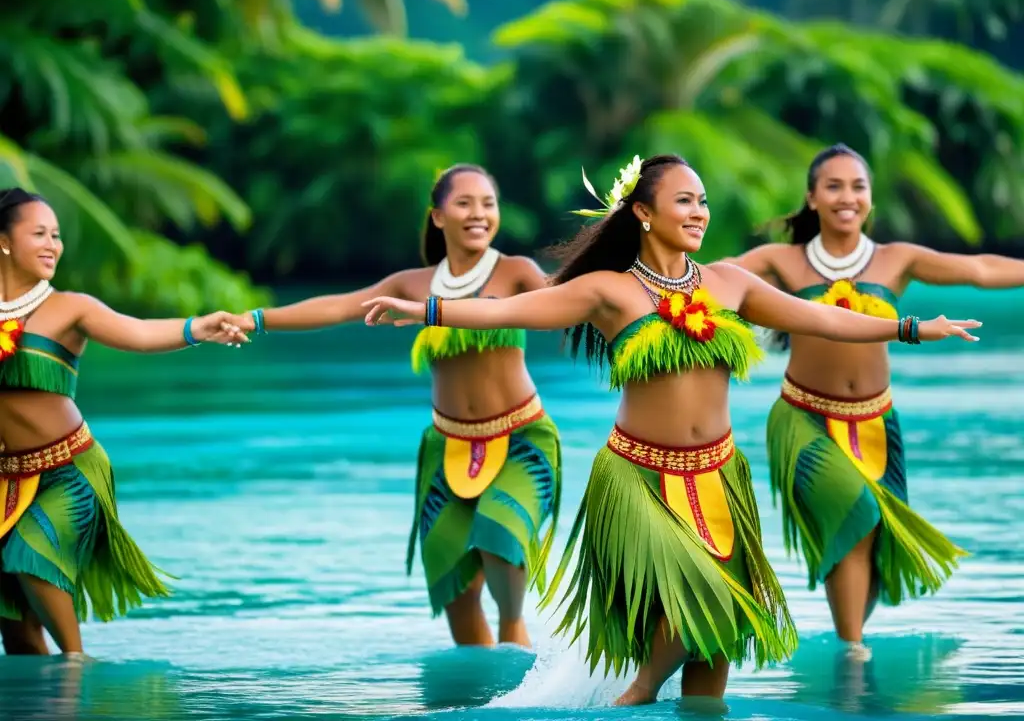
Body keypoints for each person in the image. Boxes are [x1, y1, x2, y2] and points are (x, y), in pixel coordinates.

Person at [360, 154, 981, 705]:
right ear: (643, 213)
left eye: (703, 200)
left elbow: (822, 320)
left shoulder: (728, 284)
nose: (700, 211)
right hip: (639, 478)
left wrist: (909, 328)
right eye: (685, 199)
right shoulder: (608, 290)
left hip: (720, 474)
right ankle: (637, 692)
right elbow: (512, 308)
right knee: (703, 600)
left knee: (715, 658)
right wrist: (426, 308)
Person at [230, 164, 561, 648]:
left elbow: (575, 301)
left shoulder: (517, 273)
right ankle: (475, 696)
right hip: (446, 446)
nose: (478, 214)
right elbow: (338, 307)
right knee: (454, 582)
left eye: (488, 203)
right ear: (438, 216)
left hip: (521, 440)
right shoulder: (412, 284)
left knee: (499, 536)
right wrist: (255, 318)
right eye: (464, 203)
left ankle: (517, 650)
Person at [723, 143, 1019, 660]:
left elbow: (981, 269)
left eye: (858, 187)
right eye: (833, 186)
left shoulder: (895, 259)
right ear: (811, 198)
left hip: (878, 422)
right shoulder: (780, 261)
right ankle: (852, 649)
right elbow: (714, 277)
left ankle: (849, 645)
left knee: (873, 540)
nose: (846, 197)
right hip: (804, 419)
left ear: (871, 200)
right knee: (853, 508)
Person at [0, 187, 250, 656]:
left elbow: (137, 333)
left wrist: (199, 328)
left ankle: (77, 664)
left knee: (30, 560)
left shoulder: (70, 308)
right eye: (39, 234)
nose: (52, 244)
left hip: (69, 471)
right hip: (7, 480)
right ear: (4, 241)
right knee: (14, 623)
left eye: (56, 235)